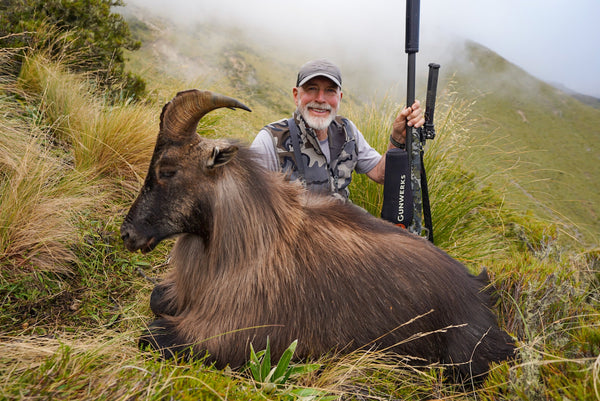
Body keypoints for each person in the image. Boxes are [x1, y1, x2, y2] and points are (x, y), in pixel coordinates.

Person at [250, 59, 425, 201]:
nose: (320, 99)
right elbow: (250, 202)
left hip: (344, 235)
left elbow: (381, 175)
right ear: (296, 95)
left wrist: (397, 138)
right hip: (295, 240)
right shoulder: (270, 139)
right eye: (312, 89)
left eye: (329, 91)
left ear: (339, 98)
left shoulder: (348, 131)